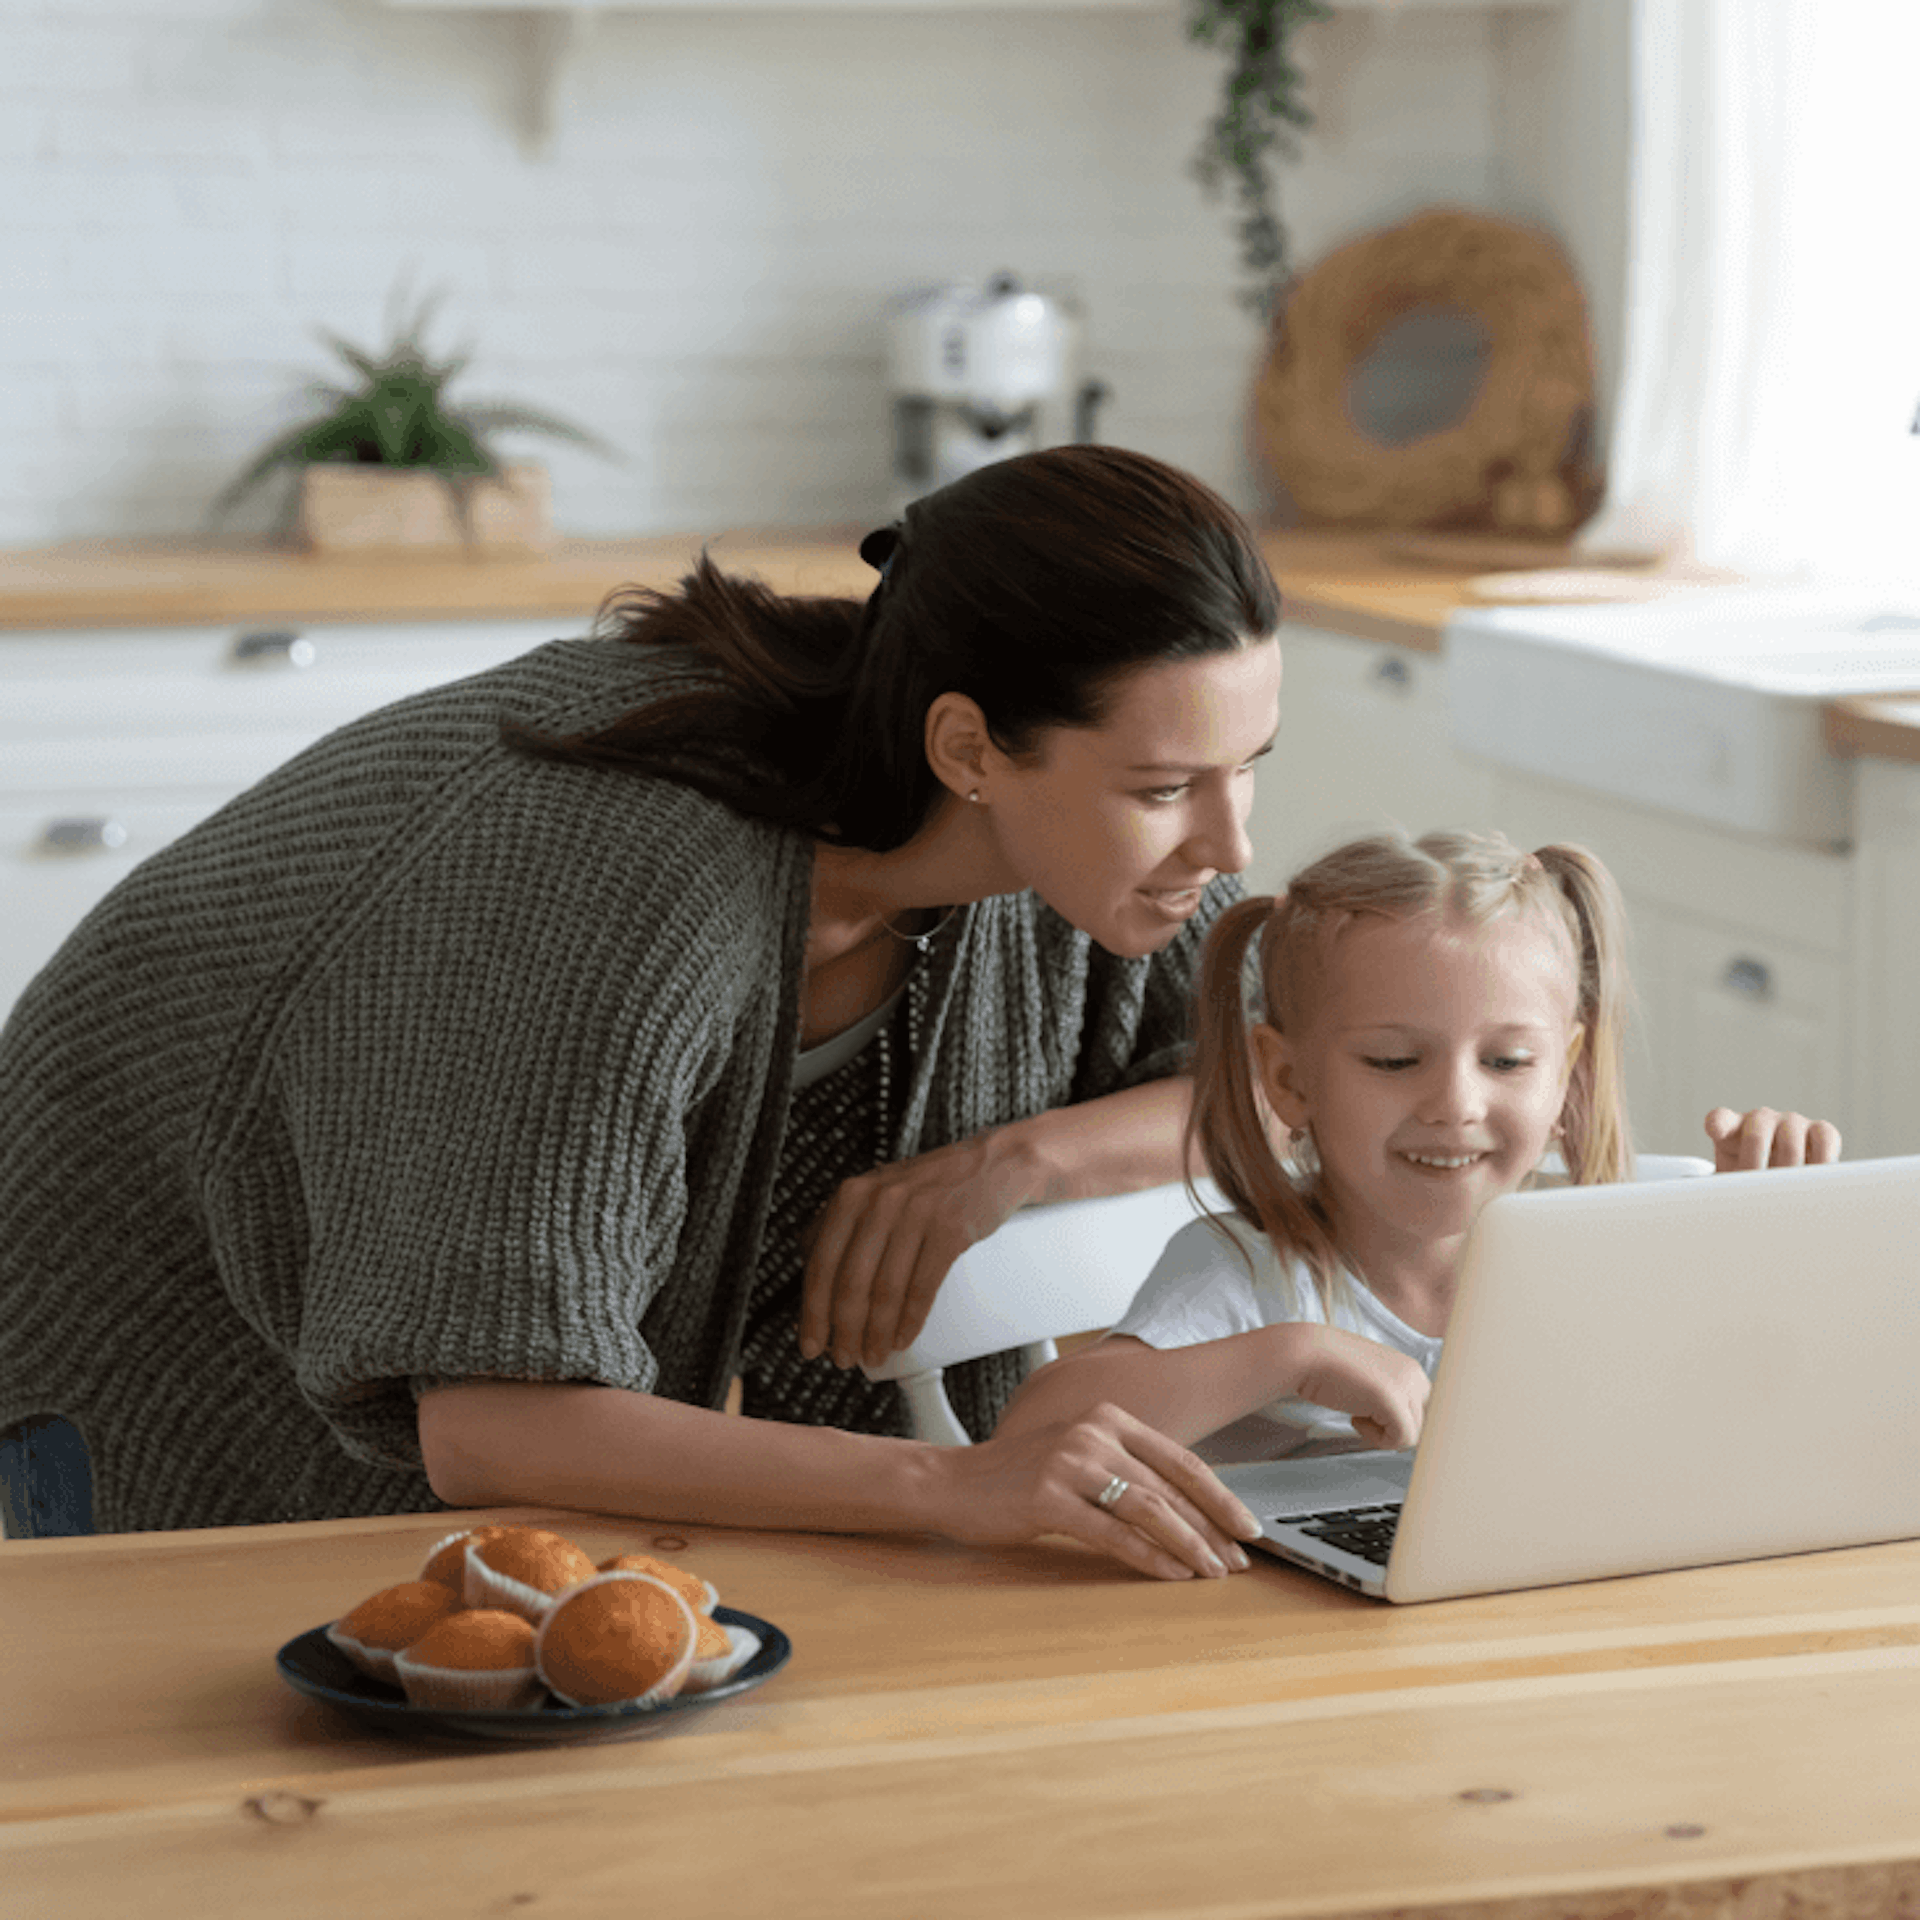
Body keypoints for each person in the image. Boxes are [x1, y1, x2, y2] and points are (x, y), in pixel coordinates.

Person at [0, 443, 1277, 1580]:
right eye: (1166, 787)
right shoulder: (605, 888)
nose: (1227, 841)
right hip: (129, 1355)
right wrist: (956, 1486)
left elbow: (1296, 1071)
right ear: (969, 751)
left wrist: (1016, 1162)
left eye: (1247, 771)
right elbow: (497, 1422)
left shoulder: (1074, 855)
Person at [992, 828, 1842, 1469]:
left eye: (1508, 1062)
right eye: (1395, 1061)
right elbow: (1031, 1435)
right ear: (1288, 1079)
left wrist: (1763, 1250)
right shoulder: (1250, 1276)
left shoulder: (1612, 1250)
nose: (1456, 1104)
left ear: (1566, 1078)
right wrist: (1286, 1358)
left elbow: (1767, 1434)